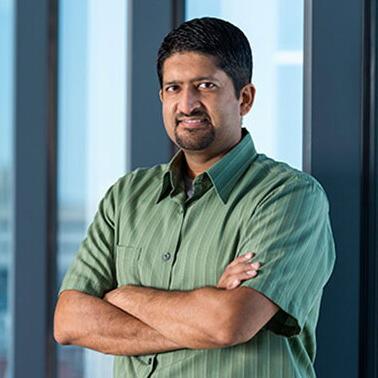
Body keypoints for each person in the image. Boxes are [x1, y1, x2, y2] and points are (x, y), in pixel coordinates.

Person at [54, 17, 335, 377]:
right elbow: (69, 321)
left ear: (244, 98)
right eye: (173, 88)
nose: (187, 104)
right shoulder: (126, 198)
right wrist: (199, 314)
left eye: (205, 86)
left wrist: (125, 296)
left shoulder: (289, 197)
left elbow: (227, 323)